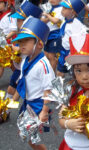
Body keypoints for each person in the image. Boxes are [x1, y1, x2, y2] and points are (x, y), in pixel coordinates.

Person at [11, 17, 55, 150]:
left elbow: (48, 91)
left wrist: (44, 112)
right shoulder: (26, 60)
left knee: (31, 137)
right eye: (19, 42)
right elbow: (22, 81)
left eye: (25, 41)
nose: (21, 45)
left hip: (37, 105)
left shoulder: (44, 65)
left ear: (39, 44)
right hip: (28, 103)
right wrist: (12, 100)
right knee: (25, 134)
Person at [5, 0, 43, 101]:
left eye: (19, 20)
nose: (17, 23)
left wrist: (10, 47)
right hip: (20, 67)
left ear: (28, 21)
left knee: (14, 90)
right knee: (13, 89)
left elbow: (22, 50)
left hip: (25, 68)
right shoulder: (21, 33)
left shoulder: (30, 36)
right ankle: (6, 110)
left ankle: (6, 111)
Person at [57, 0, 87, 77]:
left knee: (73, 74)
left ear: (73, 12)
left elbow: (78, 41)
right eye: (62, 7)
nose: (62, 10)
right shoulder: (64, 21)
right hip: (62, 51)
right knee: (60, 71)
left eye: (65, 8)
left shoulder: (76, 24)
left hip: (70, 53)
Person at [42, 0, 64, 72]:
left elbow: (55, 21)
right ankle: (48, 73)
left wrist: (48, 15)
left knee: (52, 56)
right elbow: (42, 20)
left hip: (55, 34)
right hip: (46, 33)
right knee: (46, 55)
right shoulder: (48, 7)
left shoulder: (61, 8)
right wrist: (47, 17)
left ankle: (52, 74)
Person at [0, 0, 17, 77]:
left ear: (8, 4)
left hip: (9, 44)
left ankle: (20, 80)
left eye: (0, 3)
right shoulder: (1, 14)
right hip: (2, 43)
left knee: (14, 66)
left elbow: (14, 31)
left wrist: (3, 38)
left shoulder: (11, 15)